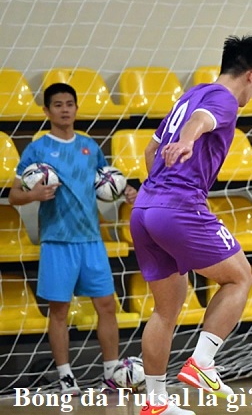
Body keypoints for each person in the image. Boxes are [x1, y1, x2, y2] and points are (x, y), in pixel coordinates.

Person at [129, 35, 252, 415]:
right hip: (178, 204)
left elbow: (149, 149)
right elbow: (201, 122)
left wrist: (156, 191)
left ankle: (156, 403)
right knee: (240, 276)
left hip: (144, 208)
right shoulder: (223, 99)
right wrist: (190, 141)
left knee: (166, 310)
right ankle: (203, 361)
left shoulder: (191, 93)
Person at [9, 82, 138, 395]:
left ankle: (111, 372)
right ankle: (66, 376)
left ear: (76, 109)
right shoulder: (37, 148)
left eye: (70, 103)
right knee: (60, 311)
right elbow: (14, 195)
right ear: (46, 110)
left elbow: (103, 184)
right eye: (57, 104)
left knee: (107, 305)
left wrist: (125, 192)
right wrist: (34, 194)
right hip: (57, 241)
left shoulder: (89, 146)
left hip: (91, 240)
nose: (64, 109)